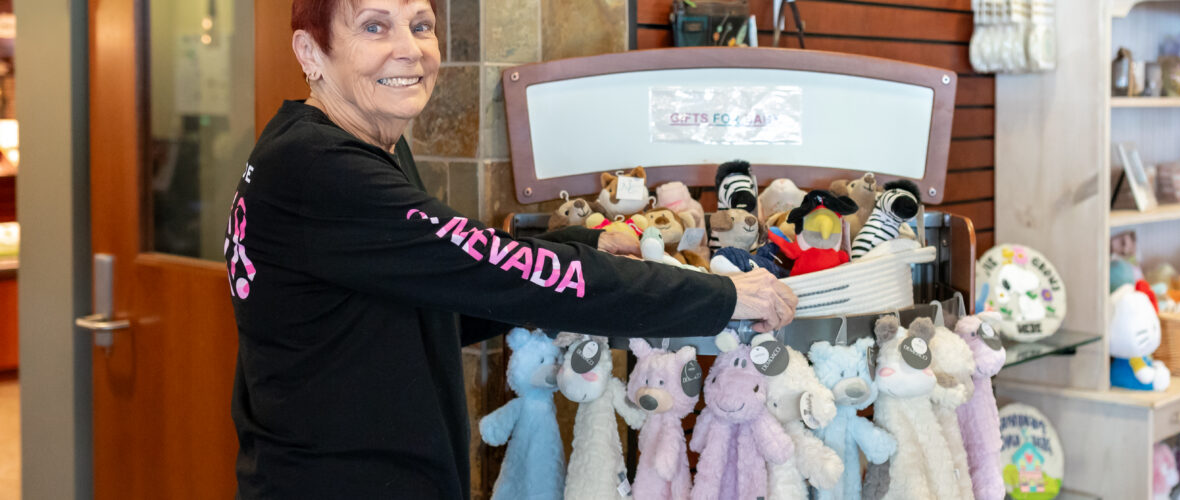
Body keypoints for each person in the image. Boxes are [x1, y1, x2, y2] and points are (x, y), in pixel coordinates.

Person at [226, 1, 798, 498]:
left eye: (421, 25)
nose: (409, 51)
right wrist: (719, 295)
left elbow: (441, 296)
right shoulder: (321, 169)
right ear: (310, 51)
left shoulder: (356, 142)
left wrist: (581, 240)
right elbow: (511, 272)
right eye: (374, 28)